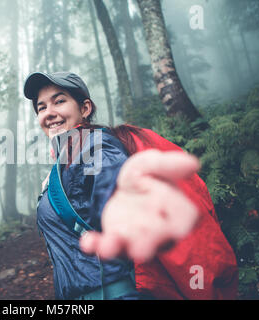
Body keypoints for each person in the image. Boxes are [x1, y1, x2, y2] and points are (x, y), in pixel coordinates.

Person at [23, 71, 238, 300]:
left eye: (59, 101)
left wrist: (121, 203)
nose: (49, 113)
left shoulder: (94, 147)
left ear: (85, 108)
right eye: (42, 107)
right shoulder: (68, 159)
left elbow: (111, 177)